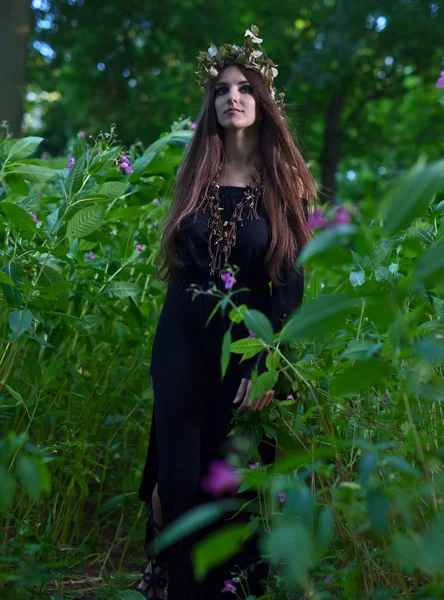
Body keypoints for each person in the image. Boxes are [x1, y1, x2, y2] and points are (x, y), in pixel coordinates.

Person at [136, 25, 317, 600]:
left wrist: (271, 364)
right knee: (179, 477)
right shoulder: (195, 179)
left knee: (234, 477)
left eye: (243, 88)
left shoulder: (285, 187)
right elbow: (181, 269)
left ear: (262, 103)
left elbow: (289, 286)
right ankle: (176, 580)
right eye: (220, 90)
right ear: (211, 105)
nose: (231, 97)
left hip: (246, 350)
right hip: (181, 344)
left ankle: (230, 584)